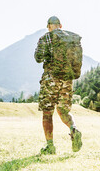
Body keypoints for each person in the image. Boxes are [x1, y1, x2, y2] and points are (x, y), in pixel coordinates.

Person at [34, 16, 82, 154]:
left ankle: (50, 146)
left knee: (47, 113)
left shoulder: (46, 38)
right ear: (60, 25)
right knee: (64, 111)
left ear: (49, 26)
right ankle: (74, 129)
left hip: (51, 79)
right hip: (67, 80)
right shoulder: (71, 39)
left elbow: (38, 58)